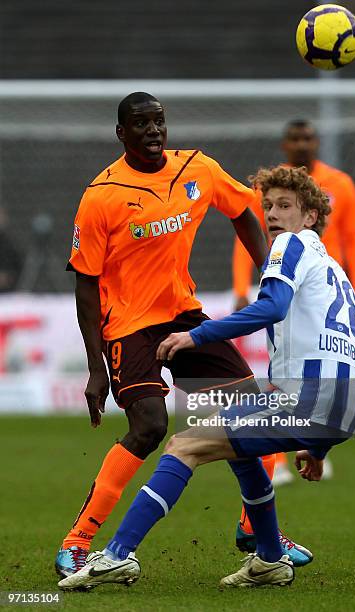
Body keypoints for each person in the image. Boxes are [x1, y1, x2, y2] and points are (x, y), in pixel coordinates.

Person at [58, 165, 355, 591]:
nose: (272, 215)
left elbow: (272, 309)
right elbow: (339, 350)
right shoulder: (333, 270)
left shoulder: (288, 247)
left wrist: (196, 335)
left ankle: (115, 556)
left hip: (309, 398)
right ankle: (268, 556)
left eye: (284, 206)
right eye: (267, 207)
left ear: (311, 216)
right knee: (238, 428)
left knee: (184, 445)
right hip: (347, 404)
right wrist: (318, 447)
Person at [55, 92, 311, 578]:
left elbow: (242, 210)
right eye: (141, 124)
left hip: (183, 316)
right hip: (129, 324)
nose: (153, 131)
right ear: (121, 133)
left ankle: (257, 533)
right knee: (150, 426)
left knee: (250, 414)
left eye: (159, 122)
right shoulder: (101, 195)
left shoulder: (196, 168)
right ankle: (78, 541)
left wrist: (268, 274)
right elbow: (85, 283)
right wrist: (96, 368)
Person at [233, 119, 355, 491]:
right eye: (295, 138)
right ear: (284, 145)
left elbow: (353, 239)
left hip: (323, 291)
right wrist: (242, 284)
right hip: (285, 280)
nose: (301, 143)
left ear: (317, 142)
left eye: (307, 137)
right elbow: (250, 234)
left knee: (315, 372)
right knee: (283, 374)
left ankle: (311, 446)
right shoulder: (272, 190)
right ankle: (279, 456)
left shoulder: (340, 184)